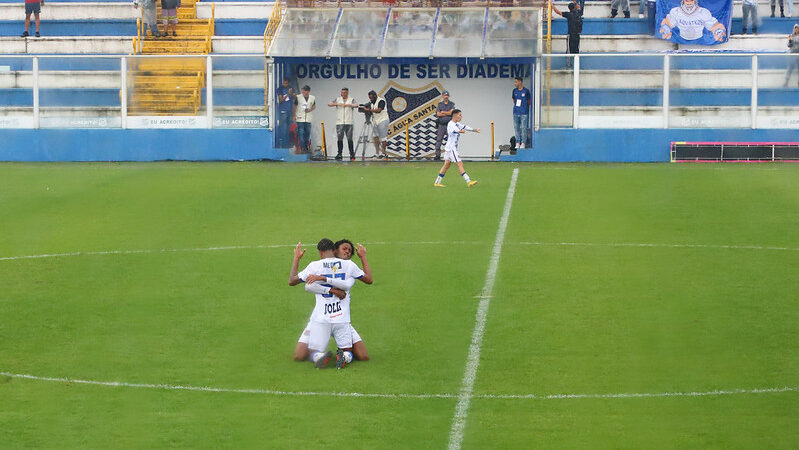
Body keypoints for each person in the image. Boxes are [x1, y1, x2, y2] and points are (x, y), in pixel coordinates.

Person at [288, 239, 368, 369]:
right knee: (350, 351)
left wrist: (297, 258)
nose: (347, 252)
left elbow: (293, 281)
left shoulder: (315, 266)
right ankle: (344, 357)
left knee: (306, 353)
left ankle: (318, 357)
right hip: (341, 318)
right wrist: (363, 257)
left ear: (320, 252)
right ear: (334, 250)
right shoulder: (349, 266)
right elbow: (367, 279)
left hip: (321, 318)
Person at [433, 109, 479, 188]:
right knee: (460, 164)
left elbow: (465, 127)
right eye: (460, 115)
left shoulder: (456, 123)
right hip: (451, 148)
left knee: (446, 165)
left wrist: (475, 130)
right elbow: (455, 130)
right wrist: (460, 131)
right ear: (455, 115)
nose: (461, 116)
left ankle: (437, 182)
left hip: (449, 148)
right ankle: (468, 181)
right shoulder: (451, 124)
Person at [659, 0, 726, 42]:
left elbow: (714, 25)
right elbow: (667, 23)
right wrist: (666, 28)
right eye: (687, 1)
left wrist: (718, 30)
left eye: (691, 0)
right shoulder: (675, 11)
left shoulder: (703, 12)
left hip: (700, 41)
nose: (689, 3)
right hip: (681, 39)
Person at [328, 87, 358, 161]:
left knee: (350, 139)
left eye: (345, 93)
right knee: (340, 139)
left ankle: (352, 154)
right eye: (342, 92)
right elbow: (329, 104)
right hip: (340, 122)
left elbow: (356, 105)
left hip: (349, 122)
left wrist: (349, 105)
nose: (343, 94)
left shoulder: (351, 99)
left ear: (347, 93)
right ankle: (339, 154)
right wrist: (337, 104)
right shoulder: (338, 99)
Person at [433, 90, 455, 161]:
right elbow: (438, 114)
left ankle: (451, 155)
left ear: (448, 96)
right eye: (445, 95)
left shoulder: (451, 104)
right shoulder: (440, 104)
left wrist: (443, 112)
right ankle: (437, 155)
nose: (446, 97)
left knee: (450, 140)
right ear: (442, 96)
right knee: (439, 140)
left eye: (447, 95)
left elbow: (452, 113)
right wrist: (447, 113)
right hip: (441, 125)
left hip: (449, 125)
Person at [366, 90, 389, 159]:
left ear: (375, 96)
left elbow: (379, 110)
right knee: (375, 137)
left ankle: (384, 153)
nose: (371, 99)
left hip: (383, 120)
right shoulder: (371, 103)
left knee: (383, 137)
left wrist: (369, 110)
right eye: (370, 98)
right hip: (375, 121)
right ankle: (377, 153)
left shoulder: (381, 101)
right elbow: (367, 108)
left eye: (372, 98)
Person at [511, 77, 531, 150]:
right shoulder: (514, 91)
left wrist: (524, 107)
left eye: (516, 82)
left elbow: (529, 102)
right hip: (516, 112)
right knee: (516, 128)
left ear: (520, 82)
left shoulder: (526, 91)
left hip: (524, 113)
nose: (515, 83)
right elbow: (514, 100)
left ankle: (523, 143)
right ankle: (517, 142)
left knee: (523, 128)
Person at [294, 85, 316, 154]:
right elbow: (294, 106)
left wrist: (310, 110)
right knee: (301, 133)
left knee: (307, 133)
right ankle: (302, 147)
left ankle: (306, 147)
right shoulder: (298, 97)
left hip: (308, 118)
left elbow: (314, 106)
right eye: (303, 90)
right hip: (300, 117)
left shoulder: (312, 98)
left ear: (308, 91)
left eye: (306, 91)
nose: (304, 92)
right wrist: (294, 115)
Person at [276, 79, 295, 148]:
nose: (285, 84)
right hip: (283, 110)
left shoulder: (291, 88)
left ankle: (287, 144)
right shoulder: (280, 89)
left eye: (286, 83)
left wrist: (292, 94)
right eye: (284, 83)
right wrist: (287, 94)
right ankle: (283, 145)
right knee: (283, 128)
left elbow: (294, 97)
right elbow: (280, 100)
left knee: (288, 128)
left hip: (290, 110)